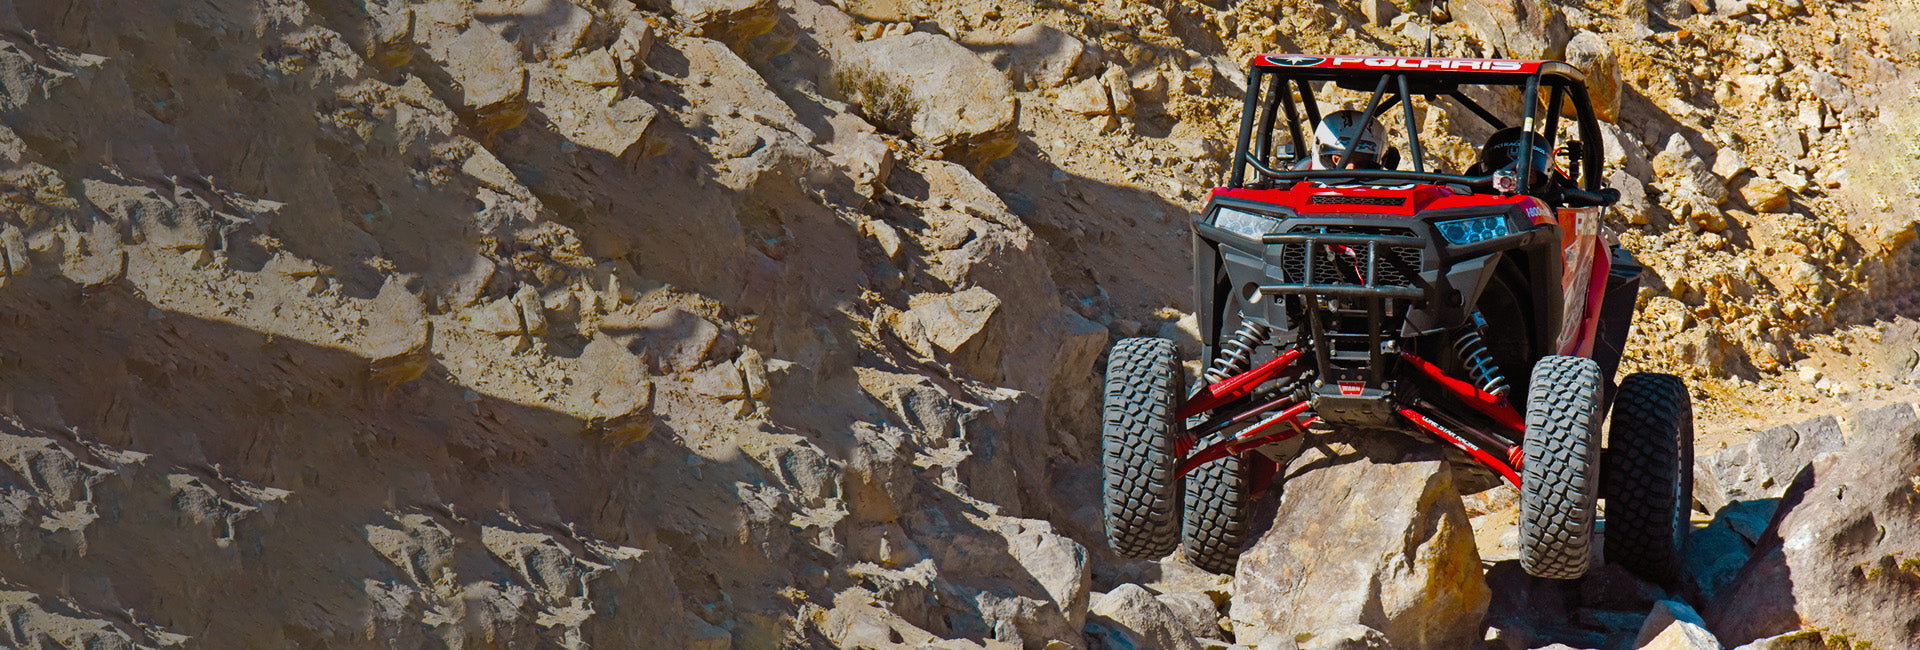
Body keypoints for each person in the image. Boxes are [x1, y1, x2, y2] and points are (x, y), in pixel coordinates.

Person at [1309, 110, 1388, 171]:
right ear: (1334, 159)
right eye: (1344, 161)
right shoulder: (1302, 188)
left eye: (1361, 164)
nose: (1352, 168)